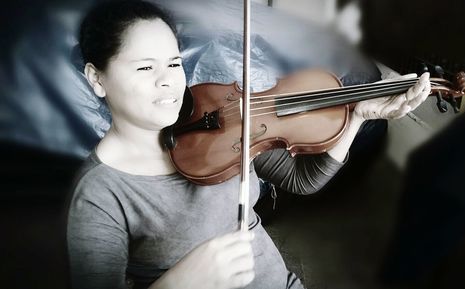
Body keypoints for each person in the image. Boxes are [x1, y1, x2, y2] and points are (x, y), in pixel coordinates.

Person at [65, 1, 431, 289]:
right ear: (97, 78)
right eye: (146, 68)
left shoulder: (220, 128)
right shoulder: (99, 193)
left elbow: (304, 181)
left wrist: (357, 117)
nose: (169, 82)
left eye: (175, 64)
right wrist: (179, 283)